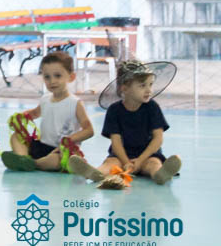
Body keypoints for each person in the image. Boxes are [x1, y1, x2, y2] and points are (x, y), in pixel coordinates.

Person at [68, 60, 182, 188]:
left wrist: (140, 160)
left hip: (148, 155)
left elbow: (158, 139)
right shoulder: (114, 110)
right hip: (121, 156)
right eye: (142, 85)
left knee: (154, 164)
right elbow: (116, 142)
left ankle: (159, 174)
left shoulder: (152, 107)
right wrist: (126, 162)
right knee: (110, 163)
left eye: (150, 85)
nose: (149, 90)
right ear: (125, 88)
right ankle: (96, 173)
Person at [1, 51, 95, 172]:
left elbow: (89, 130)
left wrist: (70, 140)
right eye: (47, 77)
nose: (52, 81)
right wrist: (21, 117)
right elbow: (35, 113)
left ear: (71, 77)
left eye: (58, 76)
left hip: (61, 150)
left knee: (57, 160)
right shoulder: (45, 99)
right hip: (41, 146)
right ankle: (24, 158)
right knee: (16, 136)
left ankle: (33, 163)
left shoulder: (75, 103)